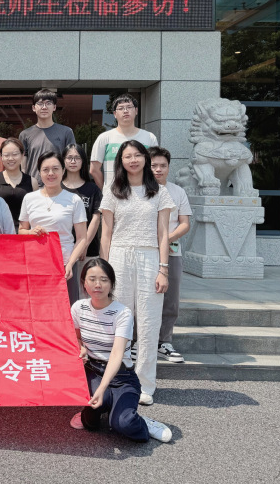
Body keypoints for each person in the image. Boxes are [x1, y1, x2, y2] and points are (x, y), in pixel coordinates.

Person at [100, 140, 174, 406]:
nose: (133, 160)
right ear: (120, 161)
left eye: (137, 155)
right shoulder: (113, 191)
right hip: (119, 257)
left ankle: (145, 384)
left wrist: (163, 269)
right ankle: (119, 379)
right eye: (127, 156)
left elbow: (163, 234)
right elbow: (106, 233)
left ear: (145, 158)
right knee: (119, 321)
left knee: (148, 322)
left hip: (149, 257)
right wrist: (104, 271)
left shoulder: (160, 192)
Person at [69, 258, 173, 443]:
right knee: (90, 422)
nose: (98, 284)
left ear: (112, 284)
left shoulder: (122, 313)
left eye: (104, 279)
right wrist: (81, 347)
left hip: (122, 376)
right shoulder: (78, 308)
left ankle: (141, 421)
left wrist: (101, 388)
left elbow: (117, 354)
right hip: (93, 371)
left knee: (123, 424)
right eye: (92, 279)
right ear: (84, 282)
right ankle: (104, 406)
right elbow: (75, 337)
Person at [18, 151, 88, 305]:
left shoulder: (74, 200)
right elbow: (21, 230)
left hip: (64, 264)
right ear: (39, 172)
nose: (51, 173)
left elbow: (82, 237)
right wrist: (30, 232)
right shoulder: (29, 198)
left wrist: (70, 264)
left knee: (65, 307)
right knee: (37, 306)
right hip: (36, 262)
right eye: (45, 169)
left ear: (63, 170)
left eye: (55, 169)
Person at [150, 146, 192, 364]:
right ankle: (137, 341)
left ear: (169, 167)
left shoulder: (177, 192)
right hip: (145, 251)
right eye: (154, 165)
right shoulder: (139, 190)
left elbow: (185, 223)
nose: (158, 170)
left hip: (172, 253)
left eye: (163, 166)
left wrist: (166, 240)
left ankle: (164, 341)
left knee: (170, 298)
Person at [90, 94, 159, 191]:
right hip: (114, 195)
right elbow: (94, 170)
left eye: (129, 107)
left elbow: (155, 166)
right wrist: (106, 192)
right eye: (121, 108)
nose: (125, 111)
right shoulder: (104, 138)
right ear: (115, 114)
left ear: (136, 111)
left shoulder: (149, 138)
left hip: (144, 194)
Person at [61, 143, 103, 288]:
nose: (73, 161)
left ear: (83, 161)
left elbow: (96, 218)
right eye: (69, 158)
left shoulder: (92, 188)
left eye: (77, 158)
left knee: (86, 289)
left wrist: (84, 245)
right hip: (62, 251)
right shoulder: (57, 187)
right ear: (63, 160)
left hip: (88, 250)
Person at [19, 89, 75, 185]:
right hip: (34, 186)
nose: (44, 107)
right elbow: (23, 165)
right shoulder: (25, 134)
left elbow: (71, 160)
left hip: (59, 185)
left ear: (54, 107)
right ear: (33, 108)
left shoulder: (66, 132)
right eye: (40, 103)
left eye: (48, 103)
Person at [0, 137, 38, 230]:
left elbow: (36, 211)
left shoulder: (32, 182)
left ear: (22, 155)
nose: (10, 158)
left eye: (15, 154)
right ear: (1, 157)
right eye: (6, 155)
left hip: (24, 233)